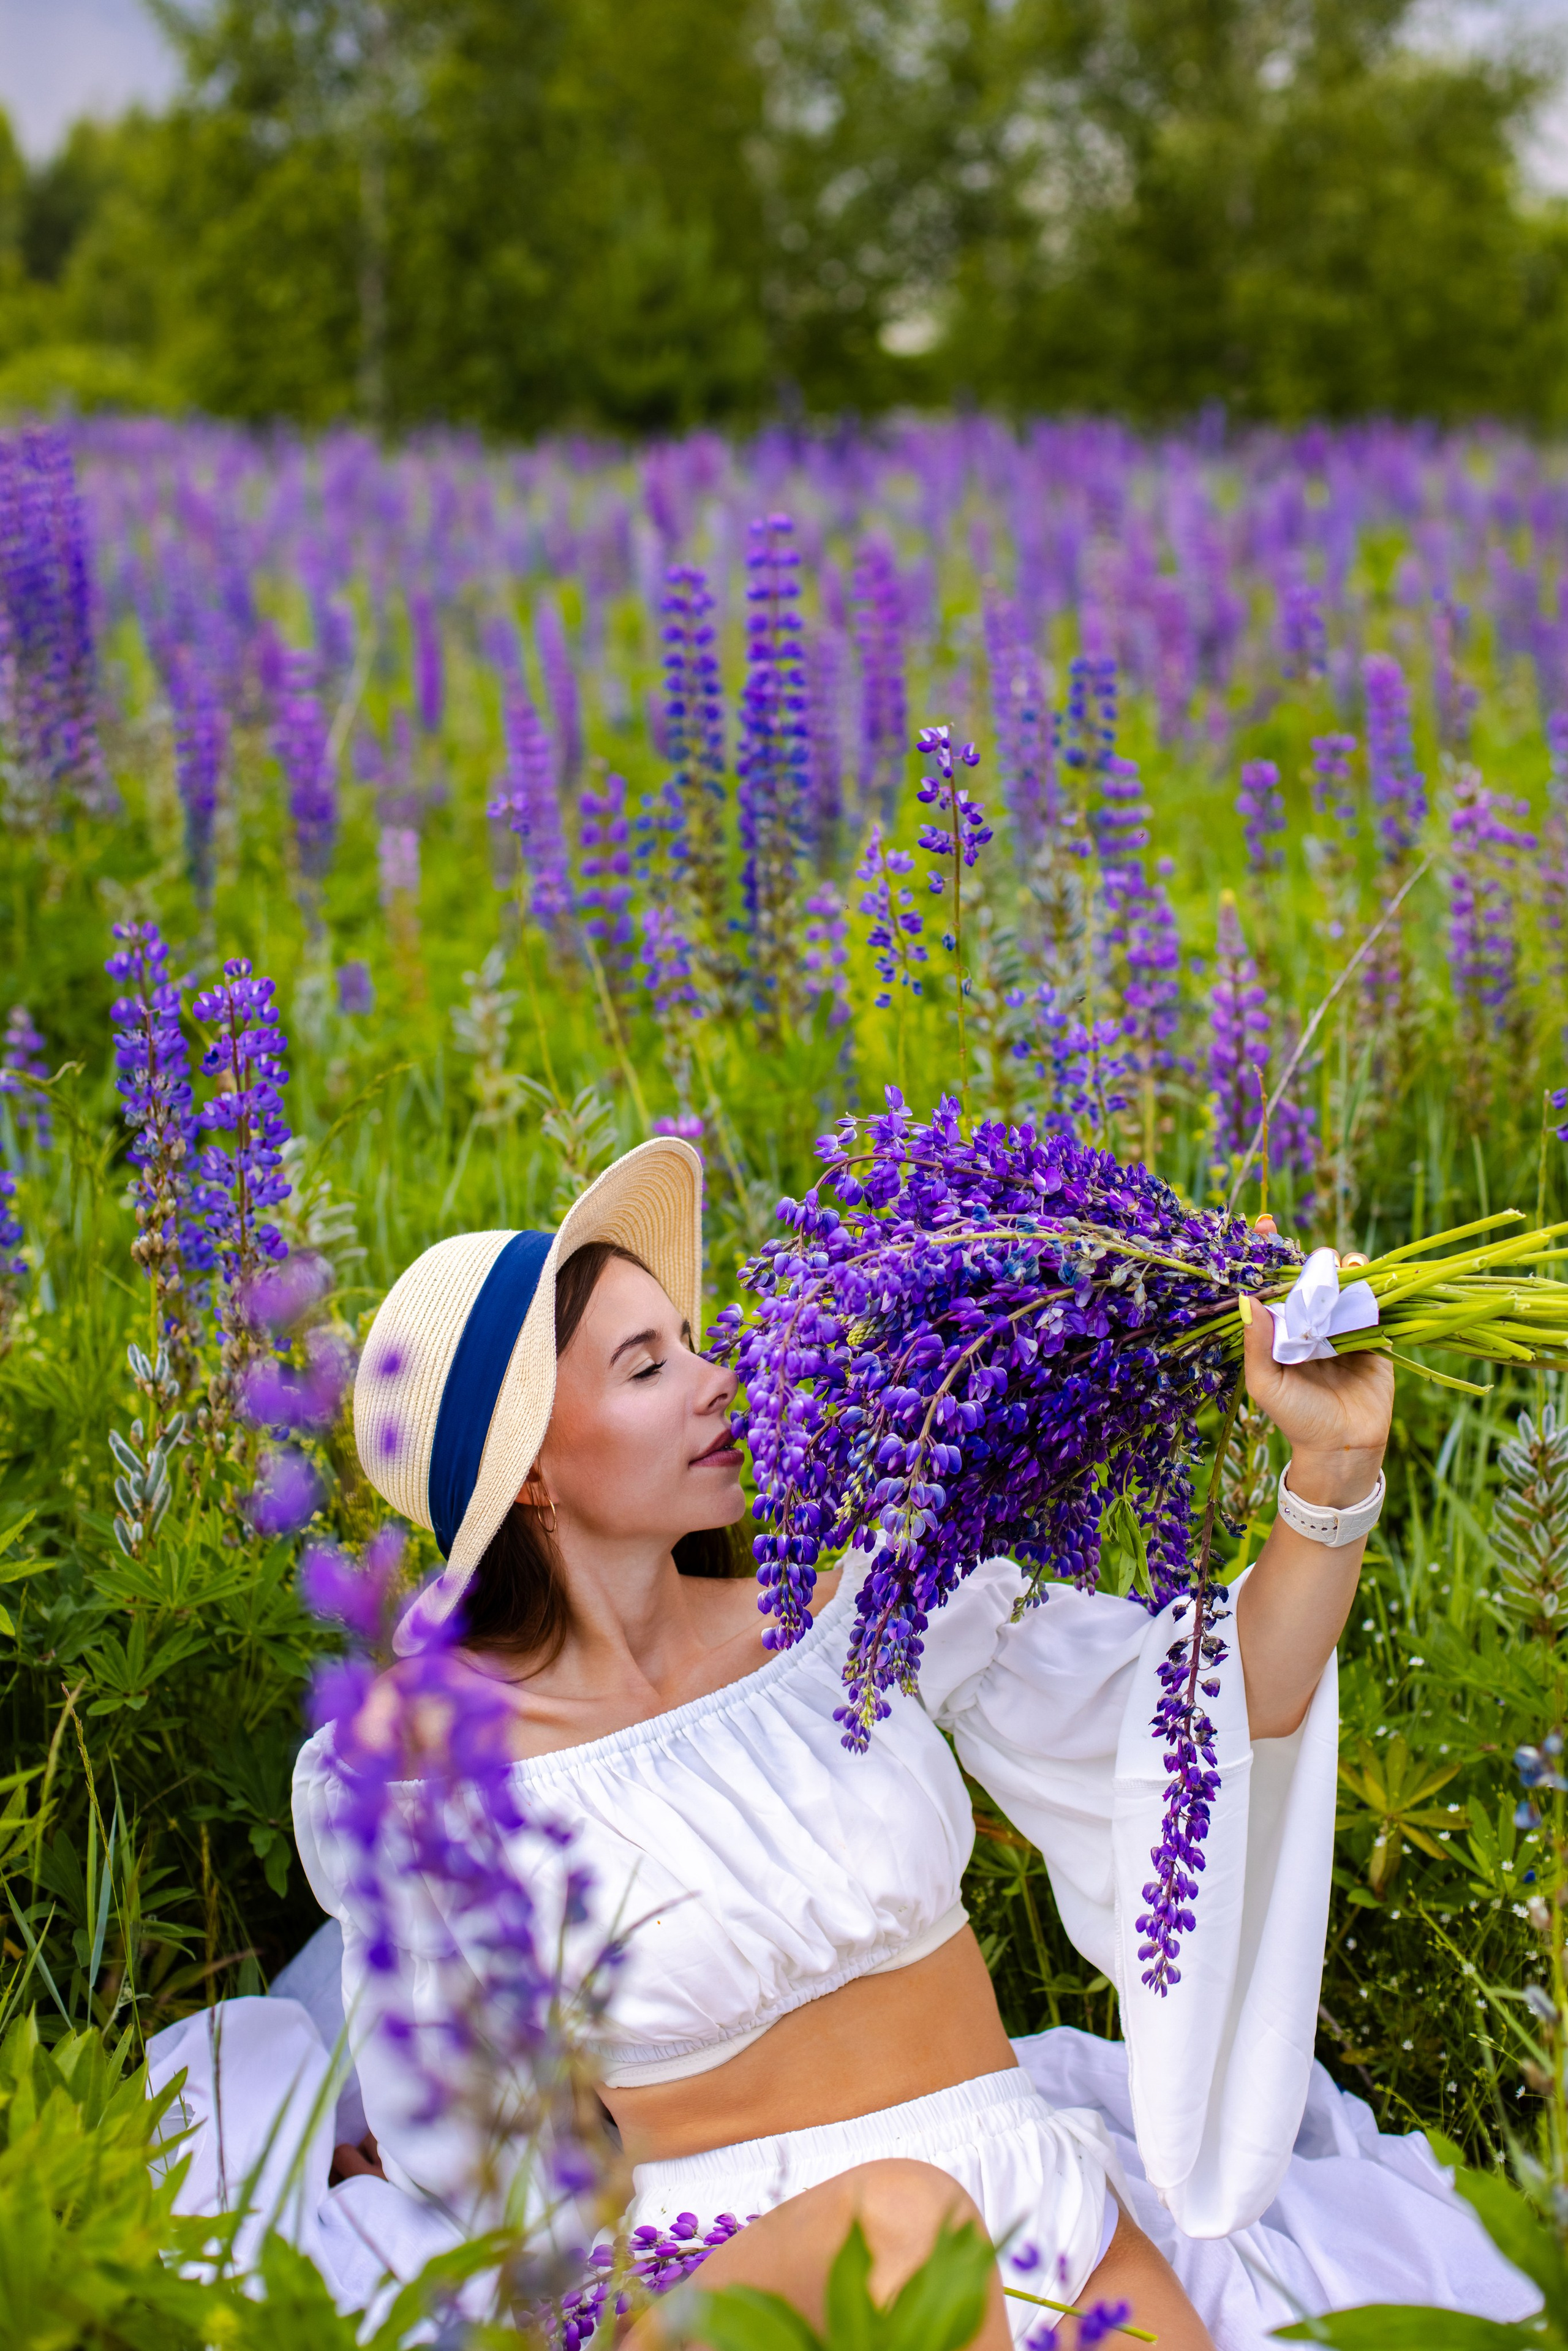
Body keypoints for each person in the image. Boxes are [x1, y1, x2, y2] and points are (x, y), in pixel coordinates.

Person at [261, 1139, 1510, 2346]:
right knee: (908, 2217)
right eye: (646, 1367)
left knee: (948, 2219)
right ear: (528, 1471)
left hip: (1031, 2189)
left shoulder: (853, 1605)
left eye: (691, 1343)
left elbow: (1199, 1715)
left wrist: (1330, 1472)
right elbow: (470, 2148)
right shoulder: (439, 1777)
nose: (716, 1379)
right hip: (729, 2274)